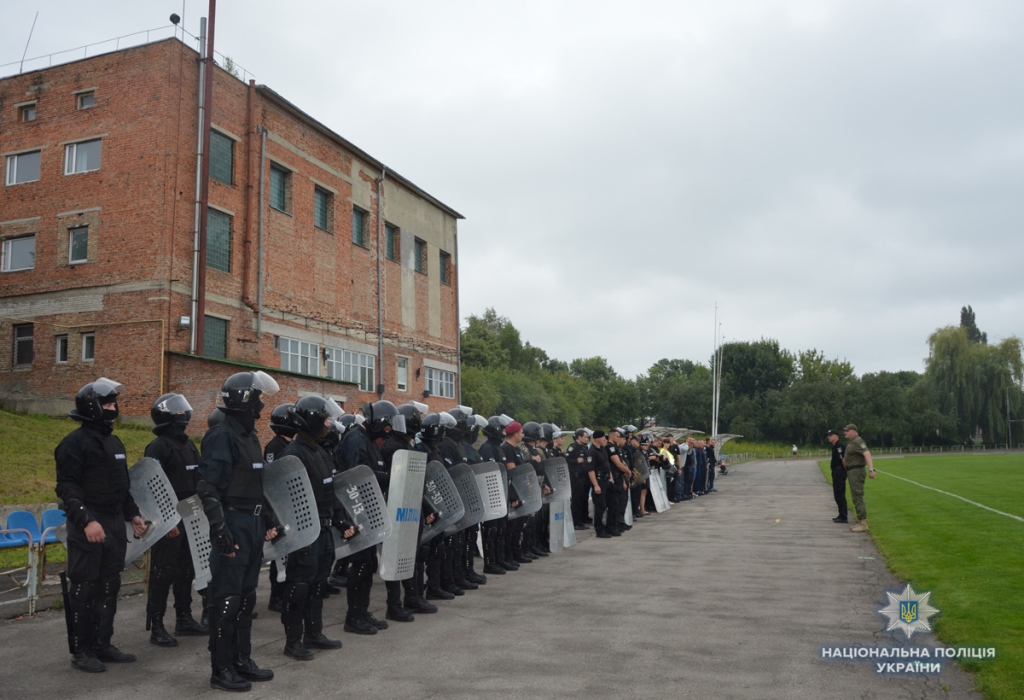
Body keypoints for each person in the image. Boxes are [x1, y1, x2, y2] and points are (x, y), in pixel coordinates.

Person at [55, 378, 147, 673]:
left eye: (114, 403)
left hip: (114, 522)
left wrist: (133, 514)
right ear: (92, 408)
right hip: (89, 523)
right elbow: (67, 487)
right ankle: (82, 651)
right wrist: (86, 520)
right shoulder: (73, 443)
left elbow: (122, 485)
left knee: (109, 585)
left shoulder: (114, 442)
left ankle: (102, 644)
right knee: (84, 588)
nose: (113, 408)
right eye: (108, 404)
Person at [196, 370, 281, 692]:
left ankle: (242, 660)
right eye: (257, 397)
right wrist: (220, 530)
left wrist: (268, 519)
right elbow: (208, 486)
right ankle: (222, 669)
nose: (261, 404)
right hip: (233, 522)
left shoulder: (248, 435)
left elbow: (255, 487)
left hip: (253, 522)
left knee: (246, 599)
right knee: (227, 600)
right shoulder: (222, 434)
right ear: (245, 399)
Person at [277, 396, 351, 661]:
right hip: (306, 530)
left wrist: (342, 521)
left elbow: (332, 490)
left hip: (325, 527)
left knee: (318, 584)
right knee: (299, 586)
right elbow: (288, 500)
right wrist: (300, 534)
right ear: (313, 421)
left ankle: (314, 634)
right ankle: (293, 641)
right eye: (326, 419)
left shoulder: (320, 451)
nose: (329, 424)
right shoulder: (294, 455)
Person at [144, 393, 208, 648]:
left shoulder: (189, 444)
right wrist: (165, 521)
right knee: (163, 573)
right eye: (177, 410)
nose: (183, 414)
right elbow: (150, 487)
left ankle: (184, 618)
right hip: (168, 522)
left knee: (185, 570)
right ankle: (156, 626)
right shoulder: (158, 446)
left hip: (189, 517)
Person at [335, 401, 396, 634]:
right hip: (356, 510)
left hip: (367, 509)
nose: (388, 432)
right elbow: (356, 475)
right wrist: (389, 477)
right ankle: (353, 617)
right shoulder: (356, 439)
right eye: (387, 426)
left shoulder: (368, 440)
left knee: (368, 563)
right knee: (360, 563)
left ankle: (362, 612)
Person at [263, 403, 296, 613]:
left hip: (288, 503)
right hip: (277, 505)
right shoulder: (275, 446)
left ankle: (284, 591)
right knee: (279, 554)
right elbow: (272, 477)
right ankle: (276, 595)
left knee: (289, 552)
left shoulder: (288, 445)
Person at [842, 424, 875, 532]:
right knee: (855, 496)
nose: (845, 433)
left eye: (847, 431)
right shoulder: (852, 442)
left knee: (858, 495)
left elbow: (867, 454)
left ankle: (863, 523)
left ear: (854, 431)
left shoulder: (858, 441)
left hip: (856, 471)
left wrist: (871, 470)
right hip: (852, 471)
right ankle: (860, 521)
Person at [588, 431, 613, 538]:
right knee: (600, 506)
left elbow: (607, 464)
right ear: (597, 438)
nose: (605, 440)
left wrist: (611, 476)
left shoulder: (603, 449)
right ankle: (599, 530)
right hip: (599, 481)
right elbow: (591, 470)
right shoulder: (591, 452)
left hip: (607, 480)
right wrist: (596, 485)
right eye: (603, 438)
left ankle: (608, 528)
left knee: (610, 504)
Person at [565, 429, 591, 530]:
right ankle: (575, 521)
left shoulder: (583, 448)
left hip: (583, 475)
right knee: (577, 499)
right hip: (576, 476)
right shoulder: (573, 447)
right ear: (579, 437)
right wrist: (576, 460)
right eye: (585, 437)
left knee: (583, 498)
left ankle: (582, 518)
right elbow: (567, 459)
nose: (587, 439)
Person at [826, 429, 848, 523]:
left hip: (839, 471)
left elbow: (843, 459)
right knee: (837, 494)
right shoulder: (835, 447)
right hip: (836, 472)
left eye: (830, 435)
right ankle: (841, 514)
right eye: (828, 435)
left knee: (840, 493)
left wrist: (845, 472)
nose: (829, 437)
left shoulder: (840, 446)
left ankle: (843, 516)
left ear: (836, 436)